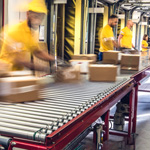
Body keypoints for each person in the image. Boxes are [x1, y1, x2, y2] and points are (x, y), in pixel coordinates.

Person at [0, 0, 54, 71]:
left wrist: (56, 60)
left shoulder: (31, 34)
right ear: (28, 14)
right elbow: (19, 60)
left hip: (17, 74)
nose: (38, 21)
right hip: (5, 73)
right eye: (36, 17)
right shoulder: (14, 31)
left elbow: (37, 52)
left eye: (41, 18)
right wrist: (46, 68)